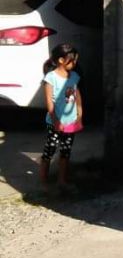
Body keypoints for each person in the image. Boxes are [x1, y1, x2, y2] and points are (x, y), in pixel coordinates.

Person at [39, 43, 83, 195]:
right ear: (60, 60)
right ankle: (43, 181)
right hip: (55, 123)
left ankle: (62, 181)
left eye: (75, 60)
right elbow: (50, 104)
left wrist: (79, 115)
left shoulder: (74, 77)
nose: (74, 63)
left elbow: (77, 97)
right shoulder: (51, 78)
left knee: (66, 152)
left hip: (70, 122)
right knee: (50, 150)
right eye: (71, 60)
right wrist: (56, 121)